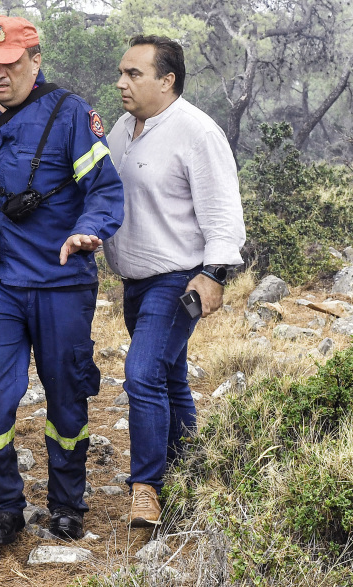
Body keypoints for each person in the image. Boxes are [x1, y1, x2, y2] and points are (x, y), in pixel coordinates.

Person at [0, 16, 125, 546]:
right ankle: (4, 506)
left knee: (67, 395)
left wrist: (86, 231)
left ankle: (67, 503)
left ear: (35, 59)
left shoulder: (71, 113)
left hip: (60, 282)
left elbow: (104, 190)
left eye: (9, 64)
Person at [103, 35, 245, 527]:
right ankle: (190, 468)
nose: (121, 82)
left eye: (134, 74)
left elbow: (224, 210)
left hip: (179, 279)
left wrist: (214, 274)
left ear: (167, 81)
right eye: (122, 73)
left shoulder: (196, 131)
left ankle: (146, 488)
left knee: (142, 374)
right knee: (168, 376)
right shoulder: (120, 130)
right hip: (134, 282)